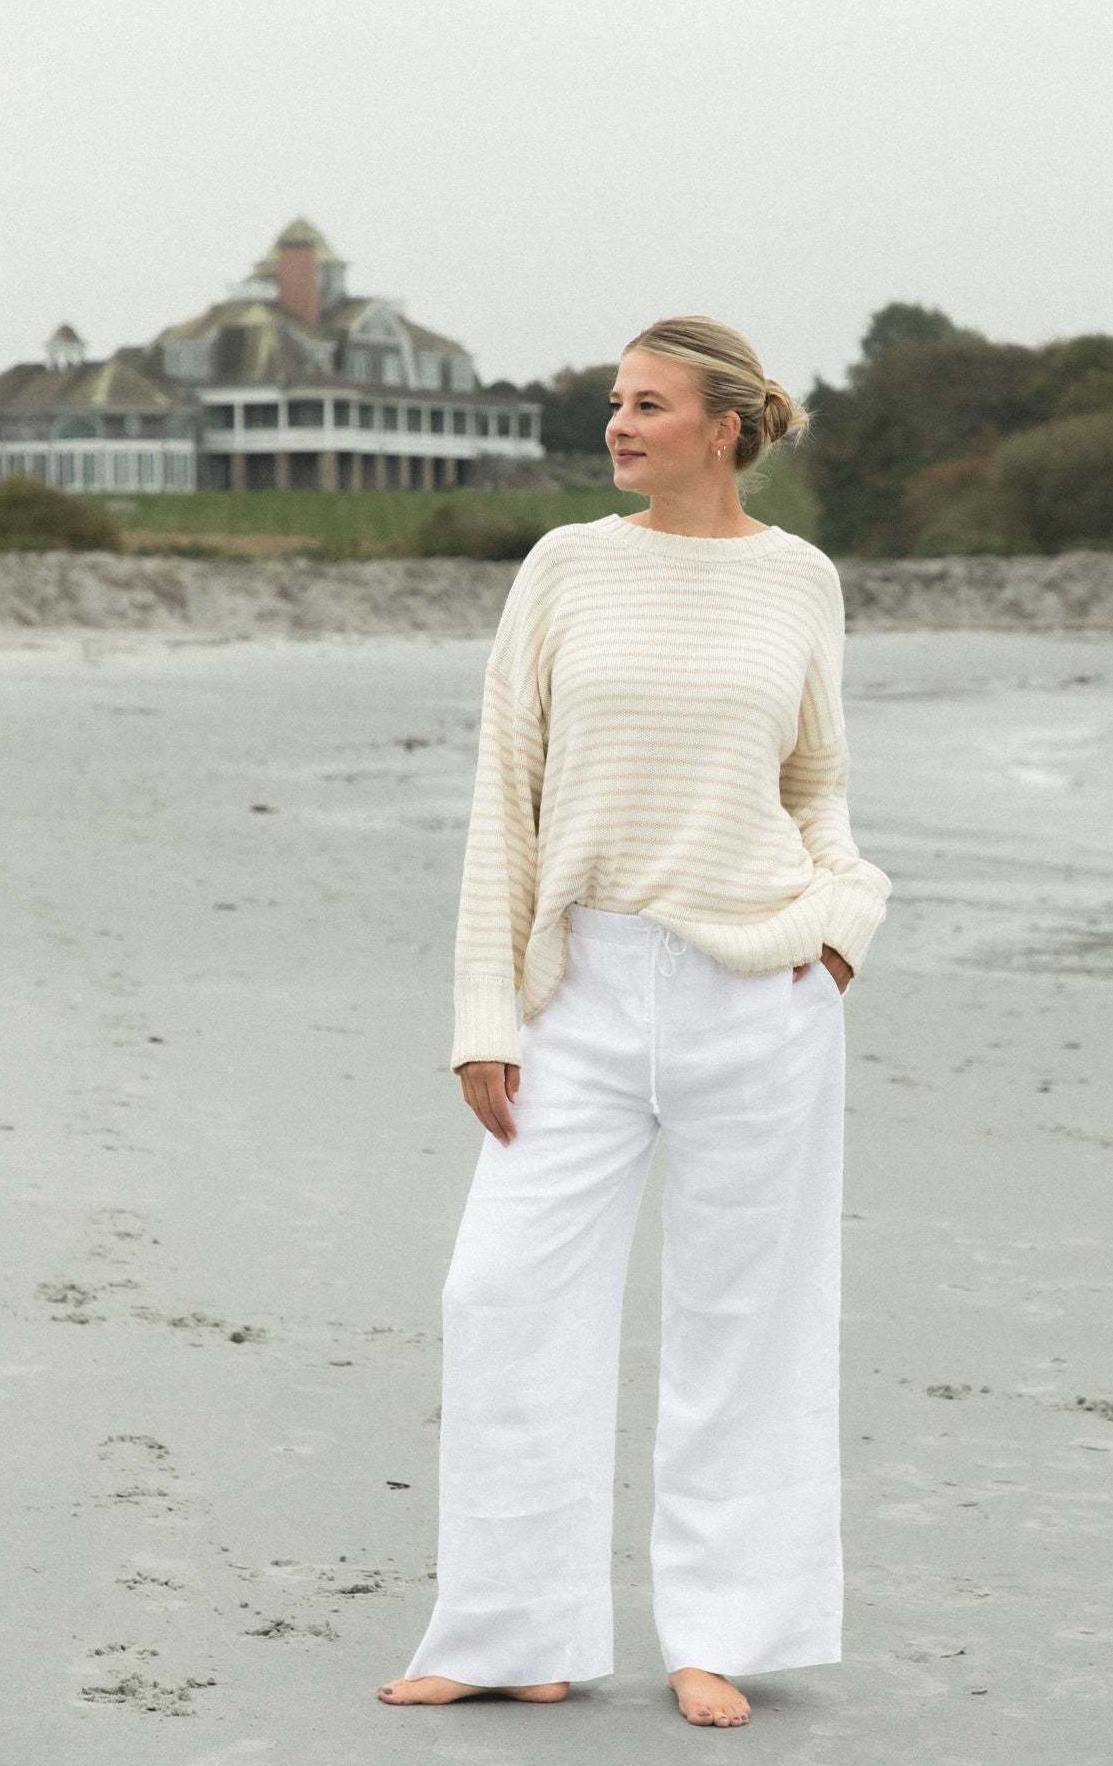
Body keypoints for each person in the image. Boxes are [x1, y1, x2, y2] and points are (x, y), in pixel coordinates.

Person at [376, 315, 891, 1729]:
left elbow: (816, 783)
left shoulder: (799, 581)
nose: (617, 424)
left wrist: (843, 924)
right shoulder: (564, 567)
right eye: (616, 401)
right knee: (499, 1294)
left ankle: (722, 1633)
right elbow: (508, 793)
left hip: (758, 990)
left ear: (724, 427)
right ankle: (511, 1631)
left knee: (747, 1322)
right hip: (580, 993)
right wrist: (485, 1013)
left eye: (648, 404)